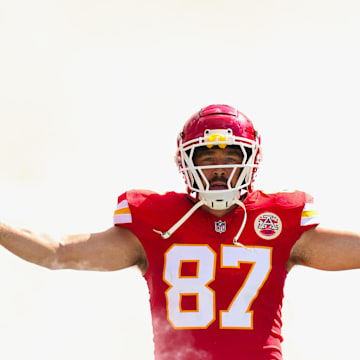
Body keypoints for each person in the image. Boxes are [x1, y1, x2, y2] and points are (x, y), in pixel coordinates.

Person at [0, 104, 359, 360]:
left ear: (250, 161)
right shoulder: (156, 221)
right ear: (187, 163)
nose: (219, 170)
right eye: (207, 158)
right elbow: (57, 252)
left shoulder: (278, 218)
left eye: (230, 157)